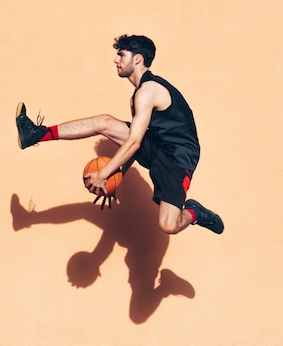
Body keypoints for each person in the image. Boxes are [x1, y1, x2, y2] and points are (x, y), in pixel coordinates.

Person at [15, 34, 224, 235]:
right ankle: (36, 134)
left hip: (178, 157)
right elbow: (135, 142)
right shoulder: (138, 95)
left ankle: (195, 212)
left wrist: (105, 173)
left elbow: (133, 143)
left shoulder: (148, 91)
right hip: (156, 145)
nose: (116, 60)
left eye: (121, 54)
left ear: (138, 59)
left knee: (168, 225)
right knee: (104, 122)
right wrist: (117, 177)